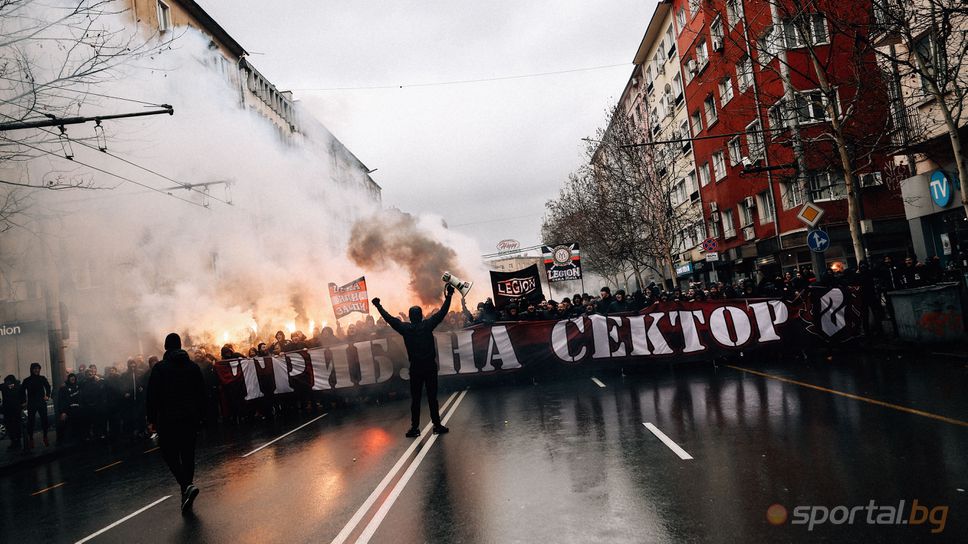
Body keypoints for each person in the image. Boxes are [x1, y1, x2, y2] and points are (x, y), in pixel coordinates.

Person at [373, 284, 454, 438]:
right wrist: (449, 296)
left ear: (410, 317)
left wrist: (378, 306)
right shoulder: (427, 325)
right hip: (429, 367)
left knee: (416, 399)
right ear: (421, 315)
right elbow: (442, 312)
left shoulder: (405, 329)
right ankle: (436, 425)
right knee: (432, 398)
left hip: (416, 368)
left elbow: (389, 319)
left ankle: (415, 428)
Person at [147, 333, 207, 513]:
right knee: (188, 455)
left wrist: (151, 419)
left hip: (168, 419)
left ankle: (185, 485)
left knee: (169, 454)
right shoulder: (192, 367)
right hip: (190, 418)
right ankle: (186, 492)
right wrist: (201, 416)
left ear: (166, 347)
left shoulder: (160, 368)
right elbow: (201, 393)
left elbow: (152, 396)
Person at [21, 362, 51, 449]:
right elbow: (22, 391)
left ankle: (45, 437)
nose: (37, 370)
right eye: (35, 368)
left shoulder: (42, 378)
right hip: (31, 403)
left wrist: (47, 395)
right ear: (32, 370)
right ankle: (31, 439)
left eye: (38, 368)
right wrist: (23, 401)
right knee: (31, 422)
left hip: (41, 402)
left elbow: (48, 387)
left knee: (45, 420)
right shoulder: (27, 380)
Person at [57, 373, 81, 444]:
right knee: (67, 427)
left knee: (77, 427)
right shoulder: (64, 388)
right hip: (69, 410)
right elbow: (61, 401)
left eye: (74, 377)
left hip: (78, 410)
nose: (72, 379)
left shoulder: (78, 386)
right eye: (71, 377)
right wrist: (62, 412)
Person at [1, 375, 23, 450]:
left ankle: (18, 443)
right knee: (10, 428)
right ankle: (13, 442)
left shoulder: (18, 387)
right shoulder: (4, 387)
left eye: (9, 382)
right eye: (6, 383)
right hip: (7, 411)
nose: (8, 384)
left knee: (17, 427)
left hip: (16, 411)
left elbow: (22, 397)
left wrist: (21, 405)